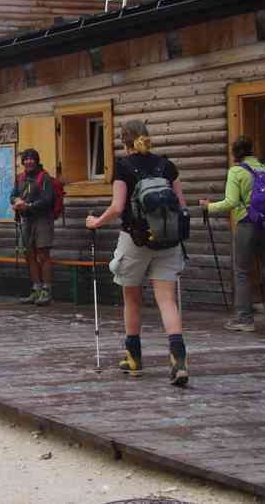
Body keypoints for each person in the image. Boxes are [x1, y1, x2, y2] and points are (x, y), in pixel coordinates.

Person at [85, 120, 189, 387]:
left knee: (132, 300)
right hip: (168, 241)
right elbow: (181, 206)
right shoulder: (167, 165)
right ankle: (179, 361)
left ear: (124, 141)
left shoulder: (123, 167)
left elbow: (118, 208)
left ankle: (134, 358)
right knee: (167, 301)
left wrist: (96, 221)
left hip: (135, 240)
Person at [201, 136, 265, 335]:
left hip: (247, 224)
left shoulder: (237, 171)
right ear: (252, 150)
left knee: (242, 271)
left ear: (235, 153)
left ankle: (244, 319)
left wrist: (209, 206)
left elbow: (230, 202)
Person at [10, 149, 55, 306]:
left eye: (31, 159)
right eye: (26, 159)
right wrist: (16, 201)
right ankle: (36, 290)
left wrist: (27, 206)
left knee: (43, 254)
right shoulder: (20, 178)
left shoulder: (45, 178)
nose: (28, 161)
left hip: (43, 220)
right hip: (27, 220)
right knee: (29, 254)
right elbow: (12, 195)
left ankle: (46, 291)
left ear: (36, 161)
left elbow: (47, 200)